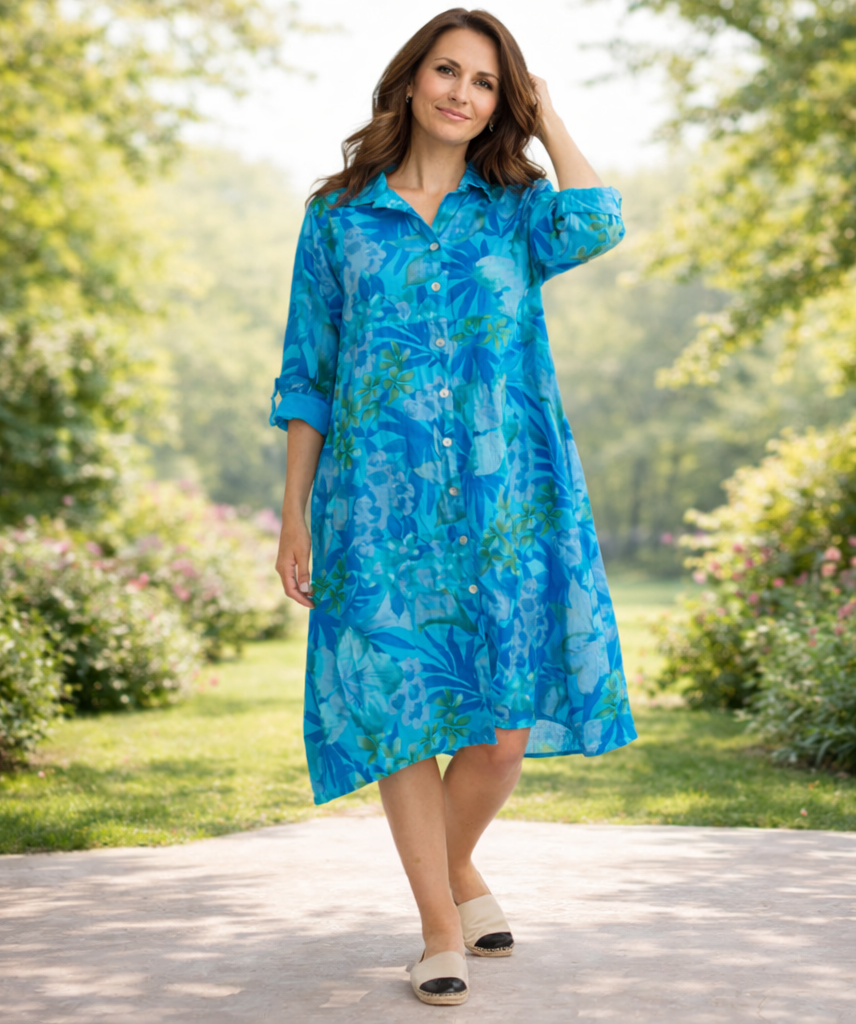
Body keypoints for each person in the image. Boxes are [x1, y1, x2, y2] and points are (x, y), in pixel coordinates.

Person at [271, 7, 637, 1007]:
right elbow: (308, 372)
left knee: (501, 731)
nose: (461, 94)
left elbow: (600, 219)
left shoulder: (515, 210)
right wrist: (294, 512)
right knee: (401, 719)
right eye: (447, 71)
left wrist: (545, 111)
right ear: (409, 79)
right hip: (375, 509)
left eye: (485, 82)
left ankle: (458, 866)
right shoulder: (339, 216)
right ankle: (440, 925)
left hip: (506, 503)